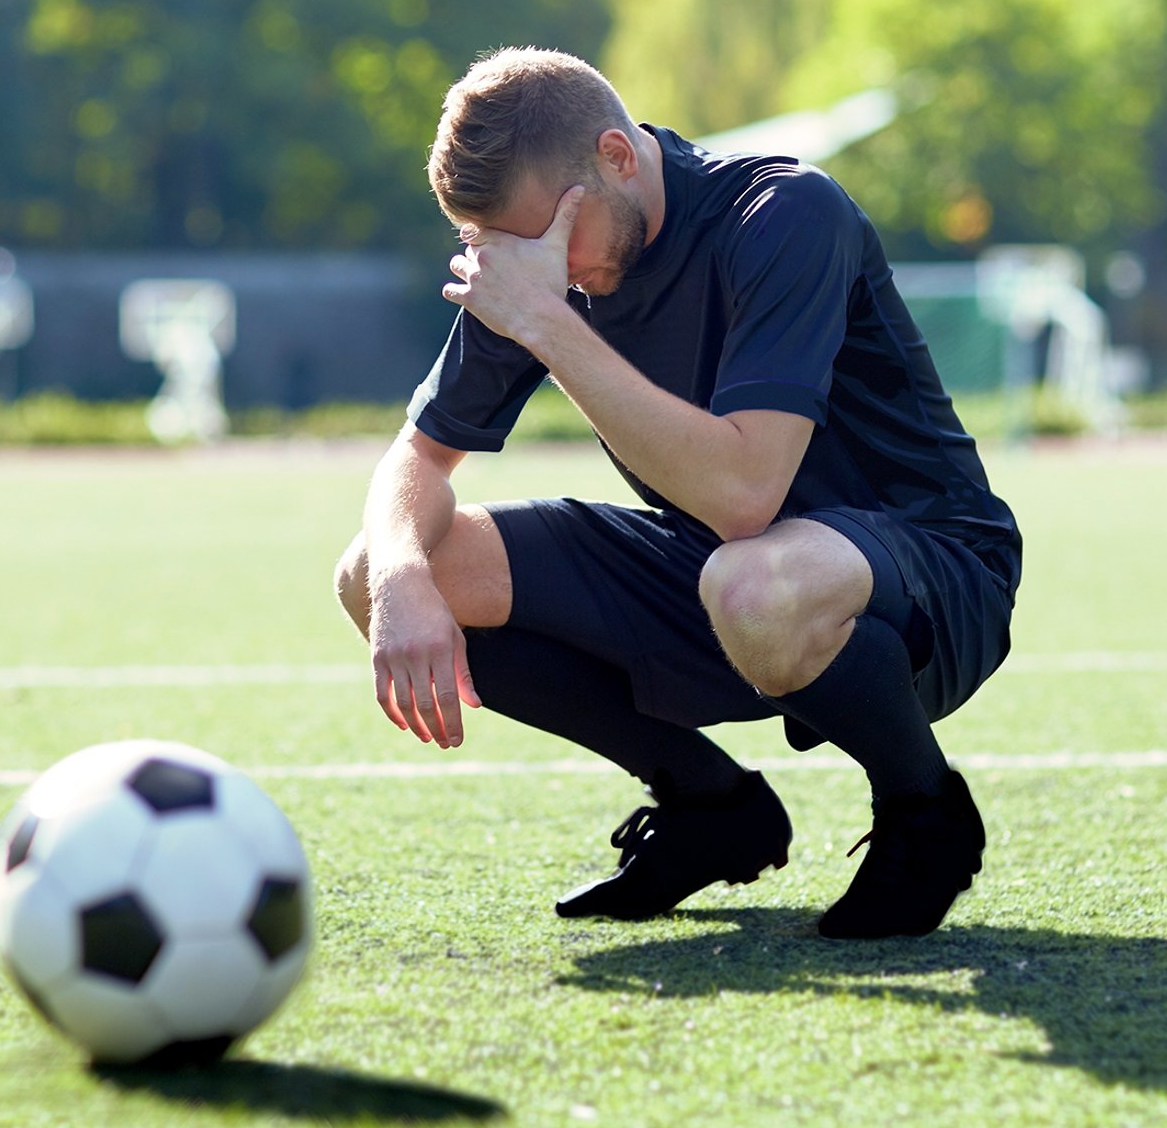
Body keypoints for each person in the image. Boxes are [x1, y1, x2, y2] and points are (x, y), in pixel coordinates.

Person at [334, 47, 1022, 940]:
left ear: (616, 158)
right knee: (380, 565)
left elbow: (745, 492)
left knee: (755, 582)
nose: (549, 271)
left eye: (549, 242)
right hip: (721, 571)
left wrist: (546, 322)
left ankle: (924, 811)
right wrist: (397, 579)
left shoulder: (783, 213)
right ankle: (710, 806)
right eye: (502, 250)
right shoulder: (542, 255)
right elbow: (416, 462)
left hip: (928, 567)